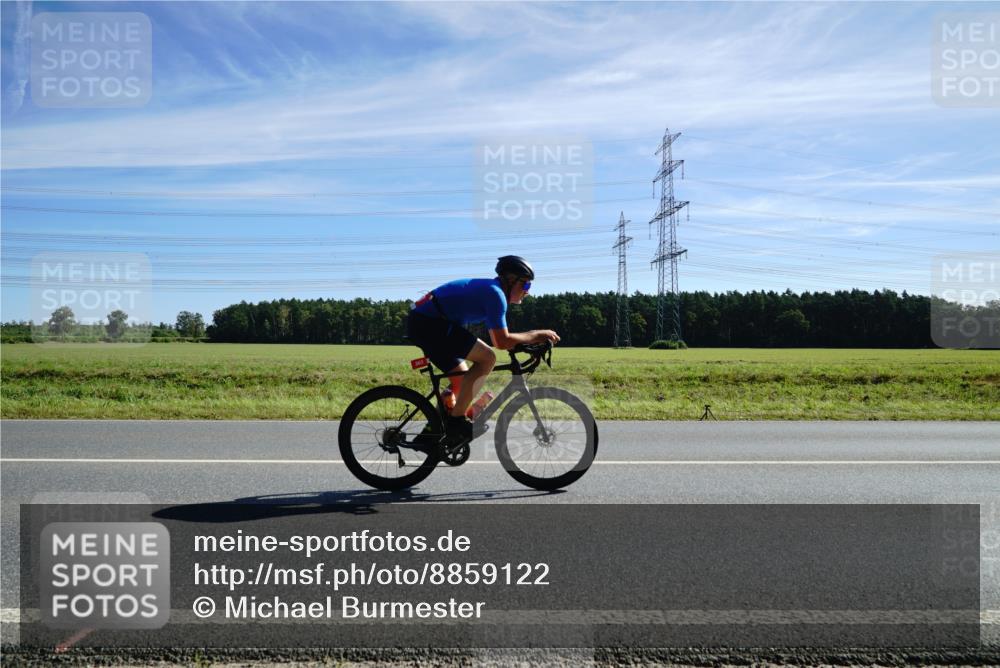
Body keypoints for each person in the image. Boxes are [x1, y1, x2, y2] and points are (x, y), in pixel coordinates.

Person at [406, 255, 560, 443]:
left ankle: (432, 434)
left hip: (426, 322)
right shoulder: (495, 294)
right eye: (526, 285)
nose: (527, 291)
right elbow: (501, 341)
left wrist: (527, 341)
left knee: (461, 382)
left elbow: (503, 339)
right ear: (511, 280)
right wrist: (537, 334)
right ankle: (456, 422)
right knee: (487, 358)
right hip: (431, 323)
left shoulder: (492, 291)